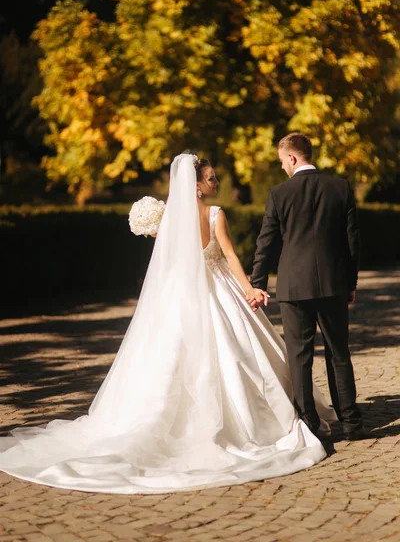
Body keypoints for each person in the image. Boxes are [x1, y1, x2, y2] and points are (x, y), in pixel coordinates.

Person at [0, 153, 334, 495]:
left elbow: (167, 264)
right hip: (216, 289)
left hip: (178, 295)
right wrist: (248, 289)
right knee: (234, 352)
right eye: (211, 178)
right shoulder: (215, 214)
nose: (216, 183)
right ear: (198, 186)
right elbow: (230, 255)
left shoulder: (169, 220)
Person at [250, 133, 364, 441]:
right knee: (339, 353)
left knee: (299, 357)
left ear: (291, 157)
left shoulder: (279, 194)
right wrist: (349, 282)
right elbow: (352, 241)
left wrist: (257, 283)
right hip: (333, 284)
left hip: (294, 286)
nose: (282, 168)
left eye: (281, 162)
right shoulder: (340, 188)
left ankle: (310, 426)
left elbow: (267, 243)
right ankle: (352, 422)